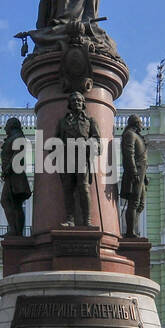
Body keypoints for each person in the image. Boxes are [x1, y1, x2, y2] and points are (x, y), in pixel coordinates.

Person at [56, 92, 100, 227]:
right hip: (67, 157)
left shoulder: (90, 121)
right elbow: (55, 141)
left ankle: (87, 221)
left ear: (83, 103)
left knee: (84, 188)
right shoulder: (62, 122)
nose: (77, 103)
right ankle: (70, 220)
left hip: (82, 157)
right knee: (68, 189)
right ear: (70, 104)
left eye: (80, 101)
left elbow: (97, 140)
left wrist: (89, 144)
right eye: (74, 100)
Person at [0, 117, 32, 236]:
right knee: (15, 203)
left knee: (7, 200)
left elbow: (17, 154)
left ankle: (15, 230)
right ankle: (16, 231)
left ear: (12, 125)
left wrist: (8, 168)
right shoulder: (13, 138)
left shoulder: (18, 137)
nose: (5, 128)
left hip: (15, 174)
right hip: (12, 174)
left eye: (7, 125)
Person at [120, 115, 148, 237]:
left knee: (141, 204)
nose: (142, 125)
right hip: (135, 173)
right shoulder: (130, 134)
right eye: (140, 123)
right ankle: (130, 232)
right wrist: (133, 171)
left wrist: (144, 177)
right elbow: (129, 154)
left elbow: (142, 158)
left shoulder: (138, 136)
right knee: (134, 202)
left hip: (141, 174)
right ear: (136, 123)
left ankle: (133, 230)